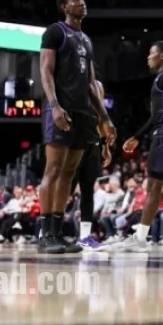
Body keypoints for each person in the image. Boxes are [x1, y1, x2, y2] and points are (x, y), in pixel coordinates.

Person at [38, 0, 116, 255]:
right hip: (61, 109)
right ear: (63, 7)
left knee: (69, 173)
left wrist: (104, 117)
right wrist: (55, 105)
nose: (81, 2)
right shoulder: (55, 32)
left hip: (84, 112)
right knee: (54, 170)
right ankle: (45, 233)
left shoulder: (86, 40)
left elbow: (92, 85)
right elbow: (46, 71)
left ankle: (57, 232)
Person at [115, 41, 163, 253]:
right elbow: (156, 116)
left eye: (151, 54)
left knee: (155, 186)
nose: (148, 58)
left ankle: (140, 238)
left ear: (162, 56)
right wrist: (138, 136)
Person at [72, 73, 111, 250]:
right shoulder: (74, 83)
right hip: (75, 140)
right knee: (67, 188)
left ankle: (85, 237)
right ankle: (49, 230)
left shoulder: (98, 85)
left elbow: (102, 119)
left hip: (93, 142)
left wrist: (105, 147)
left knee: (88, 190)